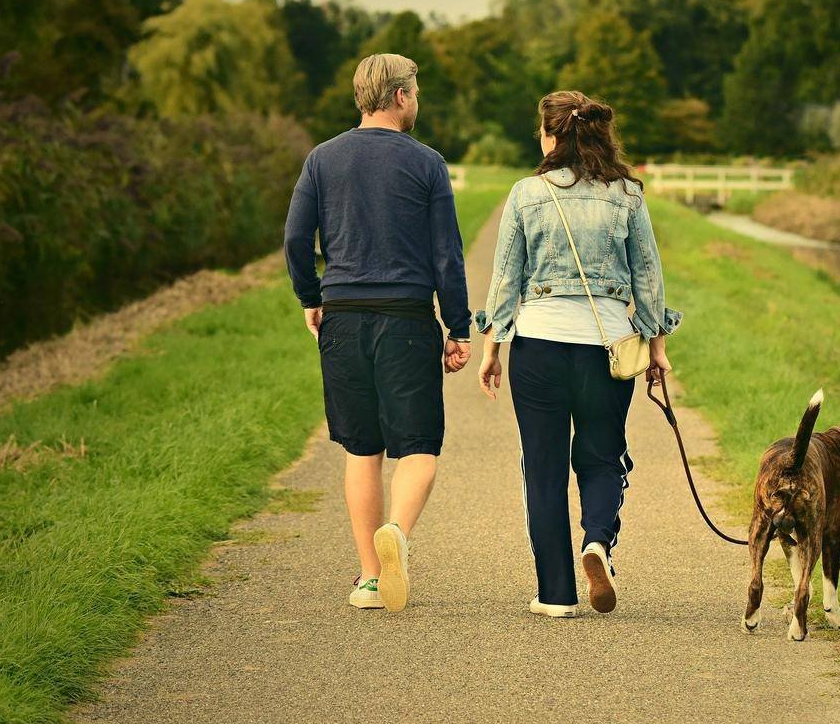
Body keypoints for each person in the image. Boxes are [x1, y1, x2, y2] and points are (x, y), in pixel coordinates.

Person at [475, 90, 681, 618]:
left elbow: (505, 280)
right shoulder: (628, 196)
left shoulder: (526, 194)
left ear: (551, 135)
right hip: (608, 349)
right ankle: (597, 541)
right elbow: (649, 280)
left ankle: (555, 594)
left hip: (539, 346)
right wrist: (656, 348)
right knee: (602, 455)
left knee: (542, 468)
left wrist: (492, 348)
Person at [283, 53, 472, 613]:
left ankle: (369, 576)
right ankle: (397, 532)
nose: (417, 100)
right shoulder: (428, 164)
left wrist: (311, 297)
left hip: (342, 316)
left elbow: (296, 239)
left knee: (362, 449)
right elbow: (447, 255)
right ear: (398, 97)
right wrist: (457, 328)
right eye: (414, 92)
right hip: (406, 320)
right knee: (417, 447)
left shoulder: (321, 159)